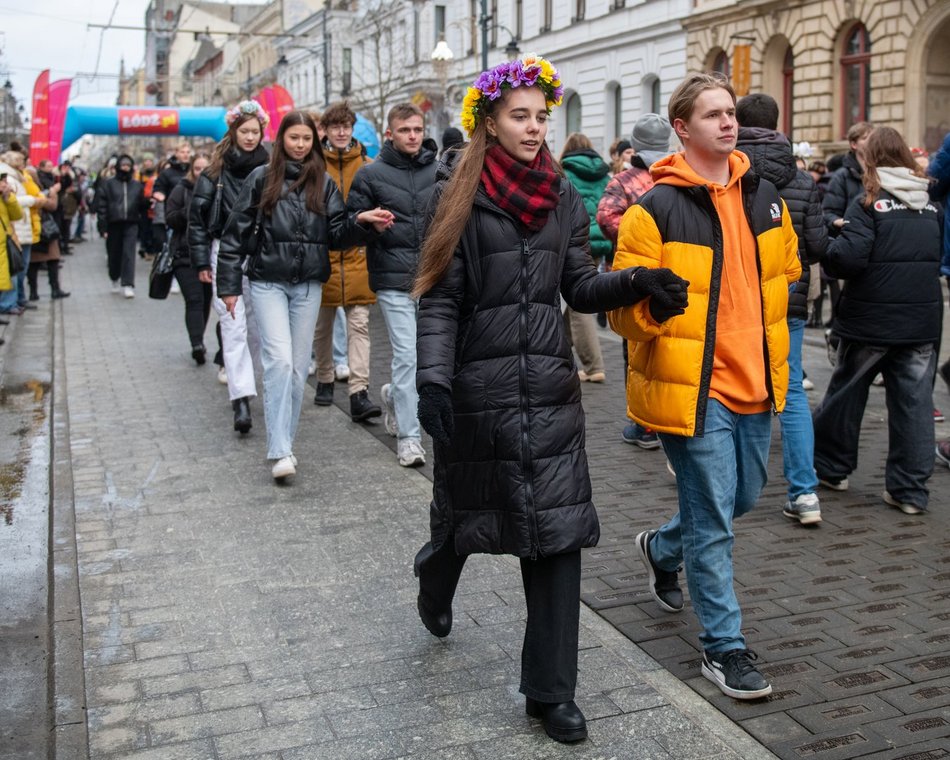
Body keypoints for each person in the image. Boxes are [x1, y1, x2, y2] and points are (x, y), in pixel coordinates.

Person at [411, 55, 688, 744]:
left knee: (557, 535)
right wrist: (433, 381)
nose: (534, 128)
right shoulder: (456, 192)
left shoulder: (562, 194)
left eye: (542, 117)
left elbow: (579, 290)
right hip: (481, 393)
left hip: (552, 393)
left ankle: (549, 693)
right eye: (520, 116)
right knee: (469, 516)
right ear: (490, 123)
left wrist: (637, 281)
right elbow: (440, 300)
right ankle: (436, 569)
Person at [609, 72, 800, 700]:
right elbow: (620, 314)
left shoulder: (766, 196)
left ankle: (662, 549)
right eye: (712, 114)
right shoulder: (653, 209)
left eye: (730, 113)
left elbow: (787, 269)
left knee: (741, 497)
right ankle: (724, 648)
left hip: (758, 379)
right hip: (694, 387)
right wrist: (650, 302)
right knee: (715, 519)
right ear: (682, 128)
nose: (727, 123)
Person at [217, 111, 392, 481]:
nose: (299, 145)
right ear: (281, 140)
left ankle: (286, 444)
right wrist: (229, 286)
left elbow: (336, 234)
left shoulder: (323, 183)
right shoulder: (261, 178)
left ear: (314, 141)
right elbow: (235, 235)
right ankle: (280, 450)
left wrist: (361, 224)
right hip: (267, 282)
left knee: (297, 369)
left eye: (306, 139)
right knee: (278, 361)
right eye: (293, 138)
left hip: (308, 283)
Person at [813, 127, 942, 514]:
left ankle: (832, 468)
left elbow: (848, 259)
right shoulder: (930, 204)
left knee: (846, 396)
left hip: (870, 319)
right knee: (915, 405)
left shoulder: (868, 202)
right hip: (921, 319)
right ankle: (910, 492)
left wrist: (828, 250)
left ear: (871, 158)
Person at [736, 93, 828, 524]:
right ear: (777, 123)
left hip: (736, 297)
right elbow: (815, 245)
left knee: (727, 386)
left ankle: (720, 477)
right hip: (787, 294)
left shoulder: (727, 167)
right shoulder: (803, 179)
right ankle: (804, 492)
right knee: (789, 391)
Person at [347, 102, 437, 467]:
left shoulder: (440, 170)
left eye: (417, 129)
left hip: (434, 277)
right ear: (390, 133)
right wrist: (365, 221)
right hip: (393, 278)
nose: (413, 136)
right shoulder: (370, 175)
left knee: (432, 359)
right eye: (405, 130)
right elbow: (344, 229)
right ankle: (410, 439)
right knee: (406, 356)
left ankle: (393, 396)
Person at [189, 100, 271, 435]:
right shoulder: (214, 172)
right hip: (225, 251)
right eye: (245, 131)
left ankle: (249, 382)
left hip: (260, 251)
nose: (250, 137)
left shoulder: (271, 167)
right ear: (233, 132)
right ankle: (240, 398)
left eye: (255, 131)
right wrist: (199, 261)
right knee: (232, 321)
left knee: (256, 326)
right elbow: (197, 219)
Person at [596, 113, 675, 450]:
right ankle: (669, 416)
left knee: (636, 346)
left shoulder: (624, 181)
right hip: (675, 274)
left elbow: (605, 216)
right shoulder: (677, 176)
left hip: (632, 275)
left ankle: (644, 424)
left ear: (637, 144)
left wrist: (636, 238)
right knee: (671, 346)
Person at [312, 100, 382, 422]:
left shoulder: (367, 165)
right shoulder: (314, 166)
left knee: (359, 326)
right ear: (325, 130)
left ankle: (359, 392)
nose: (341, 132)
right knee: (322, 326)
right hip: (323, 256)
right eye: (335, 127)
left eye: (346, 127)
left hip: (356, 256)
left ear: (352, 129)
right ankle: (325, 377)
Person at [559, 132, 610, 382]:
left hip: (575, 242)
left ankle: (593, 365)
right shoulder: (603, 174)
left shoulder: (565, 173)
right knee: (571, 303)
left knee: (578, 303)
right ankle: (561, 359)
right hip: (599, 242)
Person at [166, 151, 213, 365]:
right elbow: (170, 218)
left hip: (210, 254)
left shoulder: (217, 189)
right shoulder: (181, 189)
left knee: (205, 302)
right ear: (191, 171)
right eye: (197, 169)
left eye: (205, 168)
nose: (201, 173)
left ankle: (200, 338)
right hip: (184, 255)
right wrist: (190, 211)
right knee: (194, 300)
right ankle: (196, 344)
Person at [95, 154, 145, 298]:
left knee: (129, 254)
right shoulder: (109, 184)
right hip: (113, 224)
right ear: (118, 167)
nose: (125, 168)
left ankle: (128, 283)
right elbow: (102, 206)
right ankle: (114, 277)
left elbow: (141, 204)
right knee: (114, 253)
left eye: (128, 166)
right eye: (123, 165)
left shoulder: (136, 185)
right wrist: (102, 227)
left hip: (131, 223)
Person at [823, 121, 873, 236]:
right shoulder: (841, 177)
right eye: (865, 138)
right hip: (854, 237)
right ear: (854, 144)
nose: (871, 142)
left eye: (872, 138)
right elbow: (828, 213)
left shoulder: (882, 173)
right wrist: (839, 221)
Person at [0, 173, 23, 323]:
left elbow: (17, 215)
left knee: (6, 278)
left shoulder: (4, 197)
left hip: (4, 243)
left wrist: (9, 198)